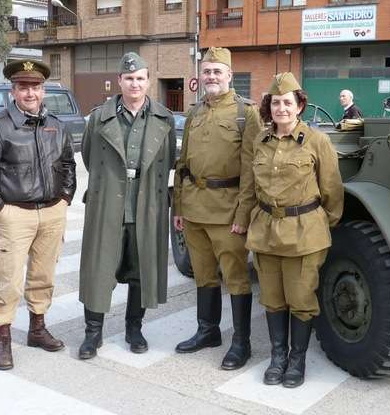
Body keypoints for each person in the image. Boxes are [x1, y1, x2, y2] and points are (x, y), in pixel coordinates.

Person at [0, 60, 77, 370]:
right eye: (23, 87)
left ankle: (37, 329)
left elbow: (68, 164)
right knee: (9, 281)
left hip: (52, 212)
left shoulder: (57, 125)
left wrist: (65, 198)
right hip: (15, 213)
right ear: (13, 90)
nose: (30, 92)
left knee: (44, 276)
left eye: (36, 87)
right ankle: (2, 337)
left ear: (44, 90)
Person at [247, 72, 344, 388]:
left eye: (287, 102)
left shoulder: (317, 141)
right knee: (273, 299)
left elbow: (332, 191)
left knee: (301, 299)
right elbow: (253, 187)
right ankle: (278, 357)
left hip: (304, 234)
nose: (281, 109)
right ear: (269, 106)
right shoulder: (260, 141)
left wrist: (319, 226)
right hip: (266, 231)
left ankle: (297, 360)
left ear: (299, 105)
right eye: (276, 103)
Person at [78, 52, 176, 359]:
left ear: (149, 82)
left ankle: (134, 328)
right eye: (129, 78)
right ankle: (93, 334)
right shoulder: (99, 117)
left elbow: (169, 160)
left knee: (141, 271)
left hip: (147, 206)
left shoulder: (164, 118)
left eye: (140, 78)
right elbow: (89, 156)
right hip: (108, 204)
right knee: (99, 269)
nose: (135, 83)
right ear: (119, 81)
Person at [172, 47, 261, 370]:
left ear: (229, 76)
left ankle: (241, 343)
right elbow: (183, 165)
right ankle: (207, 331)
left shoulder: (245, 113)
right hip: (194, 208)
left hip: (227, 211)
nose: (211, 77)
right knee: (204, 275)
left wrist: (243, 214)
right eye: (206, 71)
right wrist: (179, 206)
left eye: (217, 71)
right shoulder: (195, 113)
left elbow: (252, 169)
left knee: (236, 278)